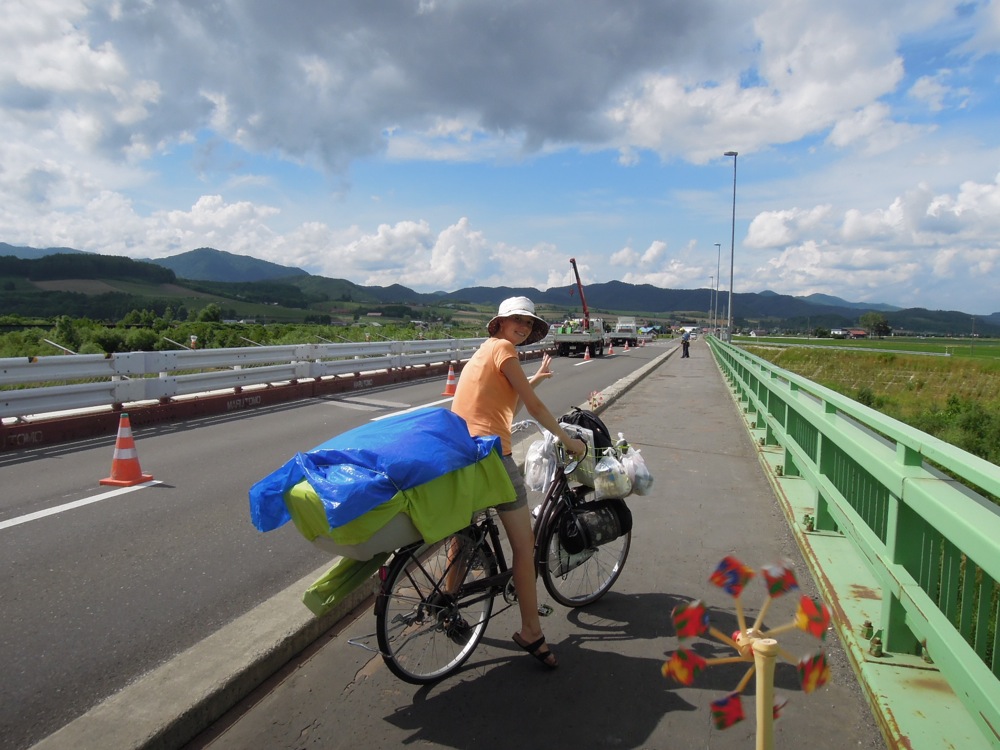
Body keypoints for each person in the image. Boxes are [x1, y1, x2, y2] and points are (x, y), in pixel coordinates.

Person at [451, 296, 587, 670]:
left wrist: (536, 379)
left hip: (462, 455)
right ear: (500, 322)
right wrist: (568, 440)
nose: (524, 327)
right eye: (518, 320)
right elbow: (537, 409)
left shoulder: (485, 351)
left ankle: (447, 606)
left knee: (462, 537)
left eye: (528, 323)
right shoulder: (506, 349)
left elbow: (505, 405)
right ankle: (531, 630)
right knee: (524, 547)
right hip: (492, 457)